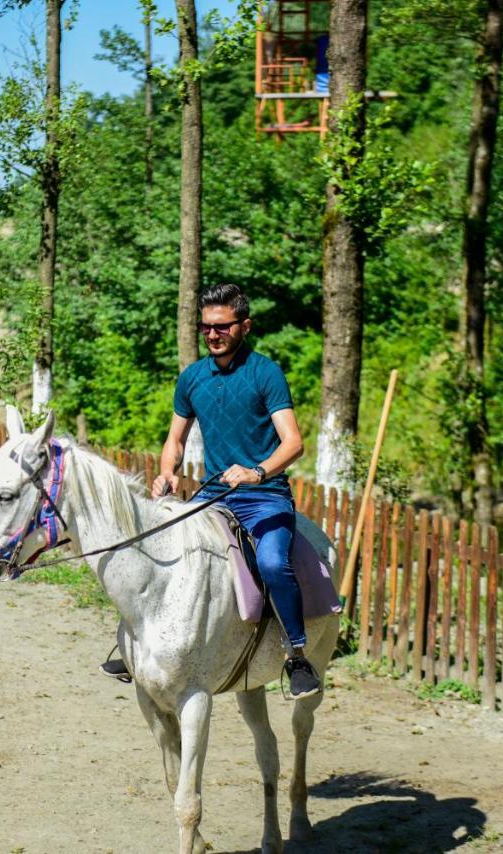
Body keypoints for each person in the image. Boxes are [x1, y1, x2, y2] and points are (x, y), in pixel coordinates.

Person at [101, 283, 321, 699]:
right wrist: (167, 471)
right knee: (162, 548)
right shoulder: (192, 378)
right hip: (214, 495)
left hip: (265, 496)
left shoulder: (266, 373)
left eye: (221, 327)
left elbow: (293, 442)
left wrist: (258, 471)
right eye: (205, 328)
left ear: (245, 326)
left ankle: (296, 656)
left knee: (273, 563)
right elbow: (176, 440)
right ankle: (136, 645)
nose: (212, 335)